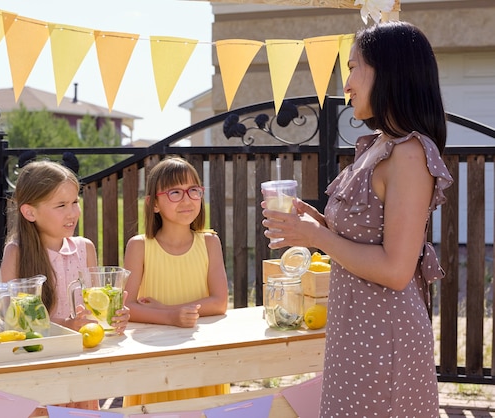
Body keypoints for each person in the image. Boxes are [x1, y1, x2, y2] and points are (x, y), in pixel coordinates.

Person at [262, 21, 453, 417]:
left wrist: (319, 237)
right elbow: (366, 240)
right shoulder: (380, 146)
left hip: (384, 340)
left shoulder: (410, 154)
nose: (346, 83)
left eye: (353, 67)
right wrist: (317, 224)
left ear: (388, 71)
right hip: (355, 335)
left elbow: (396, 269)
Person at [0, 160, 130, 412]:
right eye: (61, 205)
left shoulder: (85, 248)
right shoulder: (16, 253)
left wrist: (114, 320)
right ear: (30, 212)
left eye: (74, 202)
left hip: (79, 371)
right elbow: (11, 325)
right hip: (37, 374)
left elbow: (92, 314)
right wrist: (65, 328)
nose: (72, 213)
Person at [122, 156, 229, 406]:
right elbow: (127, 307)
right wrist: (171, 317)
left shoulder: (210, 242)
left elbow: (220, 302)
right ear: (154, 203)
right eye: (174, 192)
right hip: (155, 357)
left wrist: (162, 310)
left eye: (193, 190)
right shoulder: (139, 246)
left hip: (202, 354)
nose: (187, 199)